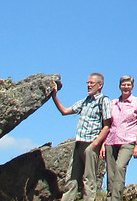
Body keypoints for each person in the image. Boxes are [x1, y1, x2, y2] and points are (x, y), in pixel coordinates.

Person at [52, 73, 111, 201]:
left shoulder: (103, 101)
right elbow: (65, 111)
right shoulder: (85, 101)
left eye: (92, 83)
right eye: (88, 83)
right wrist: (54, 96)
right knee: (71, 178)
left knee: (88, 179)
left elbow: (107, 125)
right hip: (79, 143)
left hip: (91, 144)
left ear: (100, 85)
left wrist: (96, 144)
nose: (89, 85)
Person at [100, 75, 137, 201]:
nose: (126, 87)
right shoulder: (112, 103)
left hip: (128, 140)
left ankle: (116, 198)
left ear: (132, 86)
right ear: (120, 86)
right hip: (111, 140)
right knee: (111, 171)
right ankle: (109, 197)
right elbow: (106, 124)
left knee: (120, 167)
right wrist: (103, 144)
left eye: (128, 85)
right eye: (123, 84)